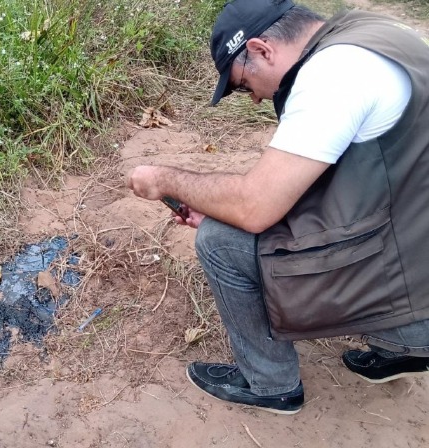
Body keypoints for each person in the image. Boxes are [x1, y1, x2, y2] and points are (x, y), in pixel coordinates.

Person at [127, 0, 429, 414]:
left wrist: (164, 180)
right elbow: (343, 181)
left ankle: (270, 384)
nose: (253, 98)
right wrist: (230, 207)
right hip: (415, 240)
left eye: (242, 84)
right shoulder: (375, 34)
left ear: (261, 49)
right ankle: (405, 344)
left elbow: (255, 208)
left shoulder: (332, 76)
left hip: (411, 277)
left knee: (219, 241)